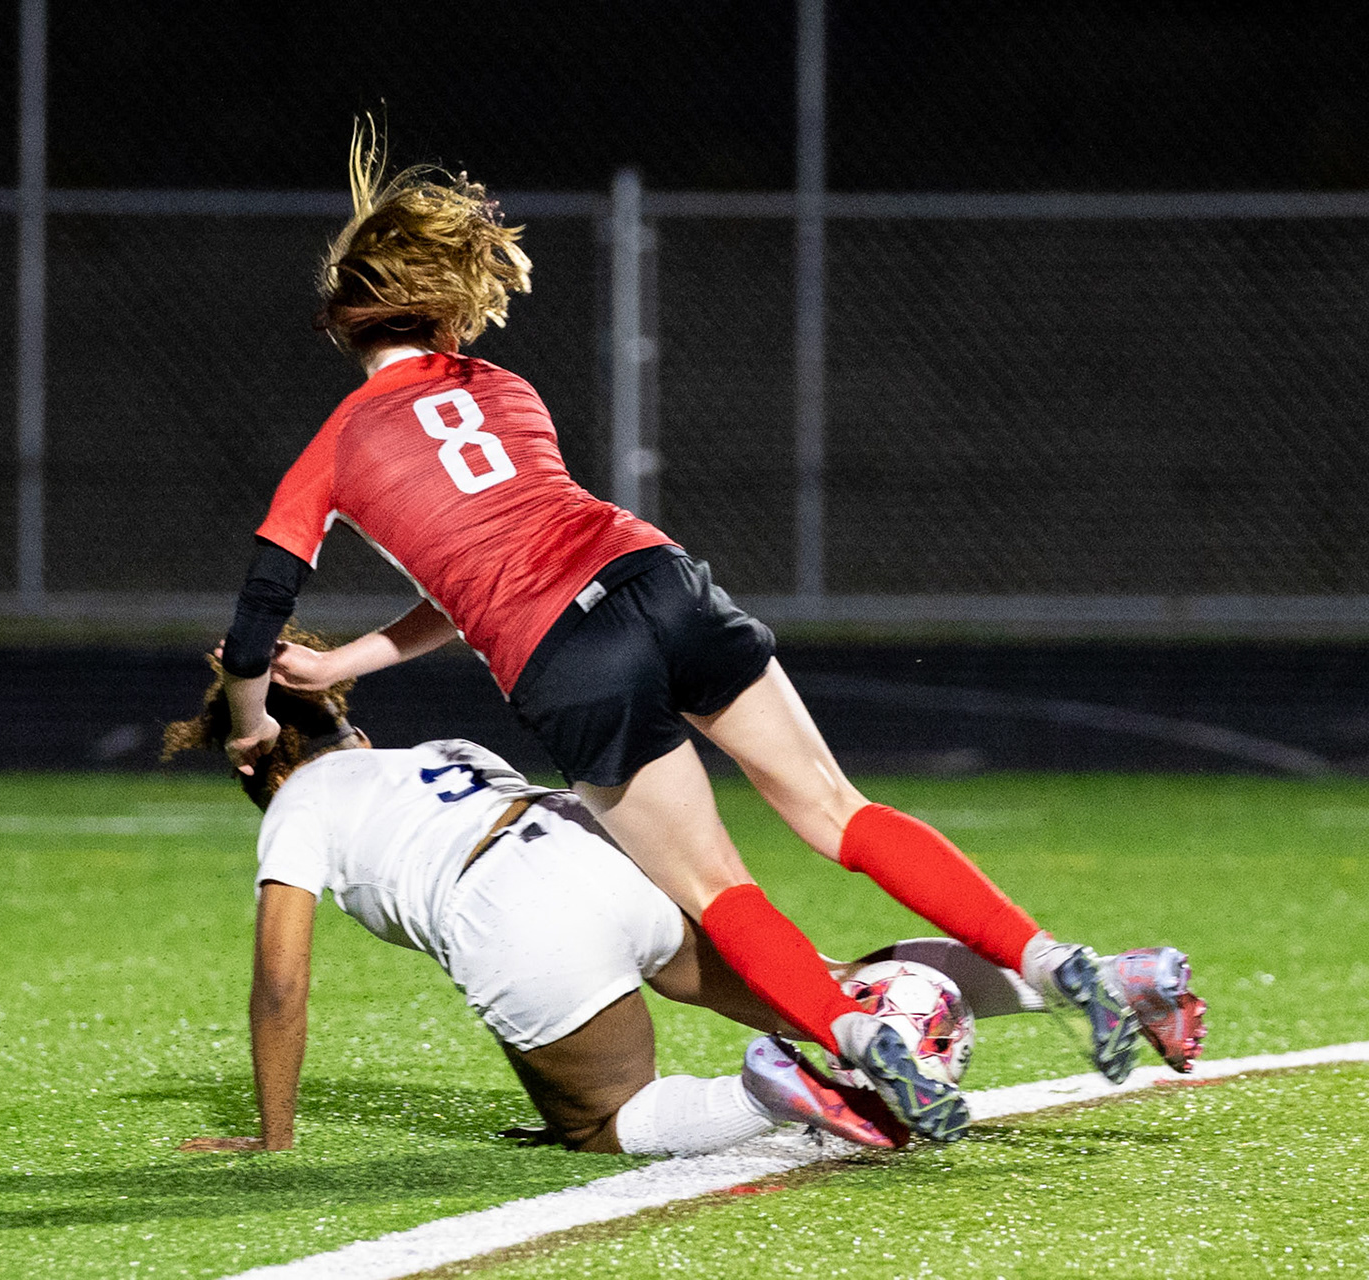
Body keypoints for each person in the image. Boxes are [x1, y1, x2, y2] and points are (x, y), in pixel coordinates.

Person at [214, 126, 1202, 1142]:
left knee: (715, 886)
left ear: (342, 323)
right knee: (838, 809)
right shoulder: (501, 390)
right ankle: (1056, 960)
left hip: (568, 655)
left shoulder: (337, 444)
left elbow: (254, 637)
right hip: (657, 575)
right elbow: (489, 562)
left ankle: (863, 1041)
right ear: (442, 306)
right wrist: (347, 661)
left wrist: (255, 721)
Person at [164, 634, 910, 1156]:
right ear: (351, 731)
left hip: (512, 907)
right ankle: (917, 1014)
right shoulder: (444, 750)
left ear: (255, 769)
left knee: (601, 1121)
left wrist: (274, 1136)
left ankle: (764, 1092)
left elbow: (281, 983)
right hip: (594, 843)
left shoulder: (299, 801)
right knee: (805, 998)